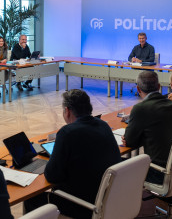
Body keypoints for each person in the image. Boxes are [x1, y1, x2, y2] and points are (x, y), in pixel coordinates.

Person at [23, 89, 121, 218]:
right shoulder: (103, 125)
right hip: (106, 197)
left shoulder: (67, 133)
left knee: (31, 198)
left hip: (81, 204)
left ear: (67, 111)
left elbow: (52, 177)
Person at [123, 71, 172, 184]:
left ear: (138, 89)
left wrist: (135, 138)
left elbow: (129, 141)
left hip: (159, 173)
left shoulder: (140, 109)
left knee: (115, 164)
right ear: (158, 86)